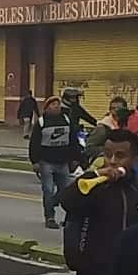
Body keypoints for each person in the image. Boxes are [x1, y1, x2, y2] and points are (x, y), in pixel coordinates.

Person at [58, 129, 138, 275]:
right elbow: (67, 201)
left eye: (120, 156)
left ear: (134, 159)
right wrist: (94, 176)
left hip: (128, 271)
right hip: (93, 271)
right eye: (108, 154)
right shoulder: (95, 185)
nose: (112, 161)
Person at [29, 95, 79, 230]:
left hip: (63, 162)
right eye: (53, 104)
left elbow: (73, 140)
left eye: (58, 103)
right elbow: (34, 143)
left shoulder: (66, 120)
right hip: (46, 162)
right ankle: (50, 217)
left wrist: (75, 158)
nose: (56, 106)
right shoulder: (41, 122)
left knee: (66, 191)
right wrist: (35, 162)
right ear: (47, 108)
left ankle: (58, 206)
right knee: (48, 190)